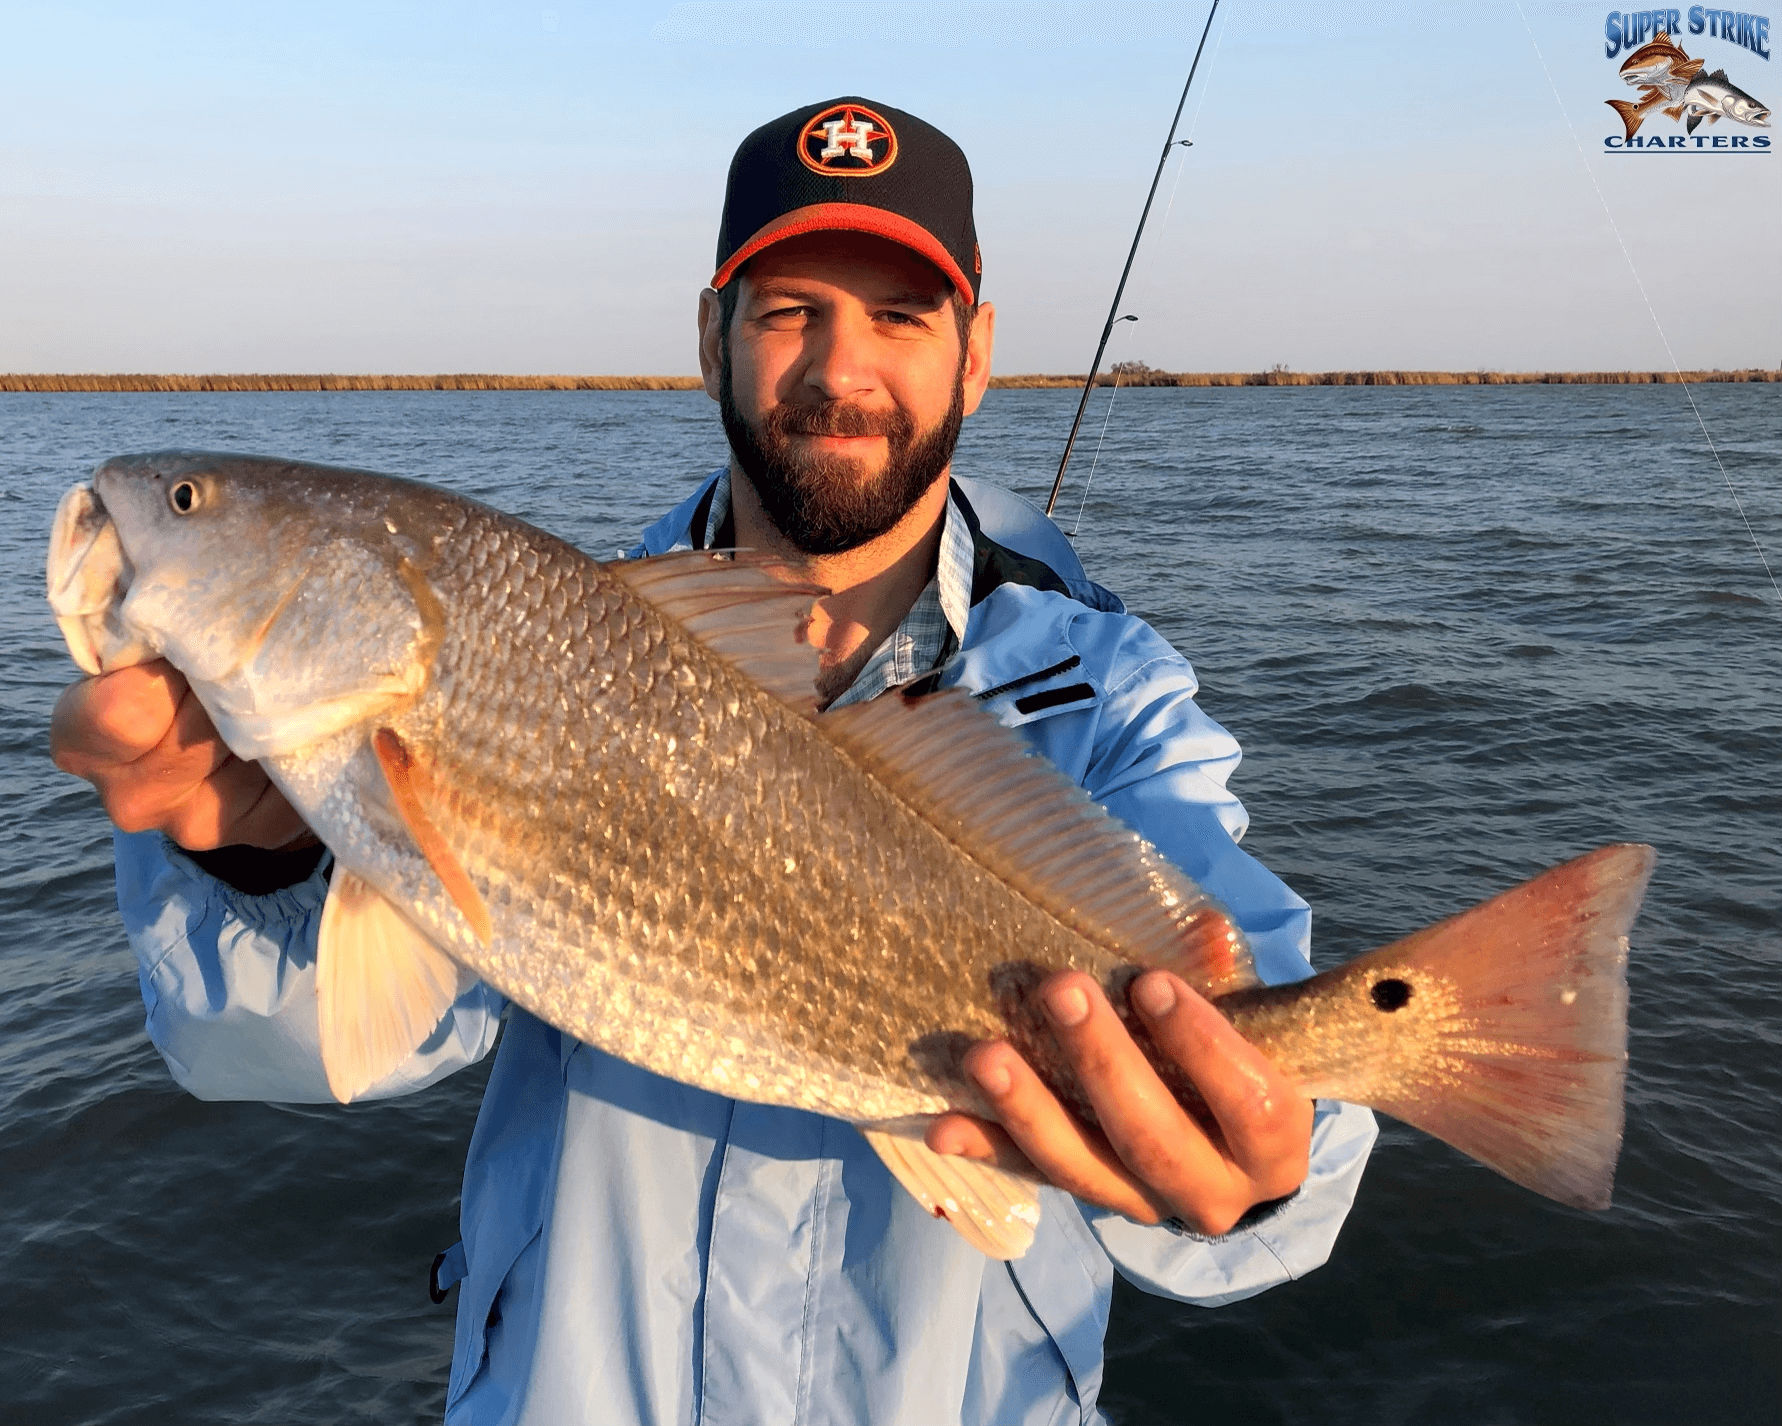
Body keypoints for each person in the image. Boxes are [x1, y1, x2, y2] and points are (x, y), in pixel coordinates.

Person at [49, 97, 1376, 1424]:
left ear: (976, 356)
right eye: (788, 309)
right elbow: (279, 1049)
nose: (837, 368)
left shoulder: (1111, 693)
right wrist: (253, 847)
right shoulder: (551, 649)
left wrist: (1264, 1156)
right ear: (710, 337)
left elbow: (1266, 1088)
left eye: (900, 316)